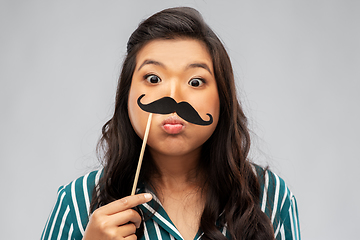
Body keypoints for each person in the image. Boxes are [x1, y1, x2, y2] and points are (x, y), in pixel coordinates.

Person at [41, 7, 300, 240]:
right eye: (153, 78)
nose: (173, 96)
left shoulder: (270, 198)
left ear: (222, 99)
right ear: (126, 95)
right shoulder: (78, 202)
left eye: (195, 82)